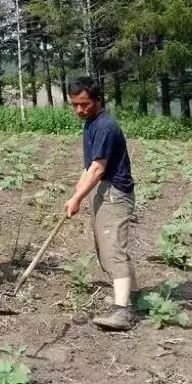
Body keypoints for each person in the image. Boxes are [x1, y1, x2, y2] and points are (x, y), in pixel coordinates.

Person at [65, 77, 137, 331]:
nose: (79, 110)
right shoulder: (91, 123)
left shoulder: (106, 126)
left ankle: (122, 312)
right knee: (107, 247)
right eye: (74, 104)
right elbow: (90, 167)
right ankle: (130, 296)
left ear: (98, 100)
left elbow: (98, 168)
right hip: (106, 190)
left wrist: (77, 198)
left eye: (84, 104)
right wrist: (78, 189)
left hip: (115, 193)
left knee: (113, 248)